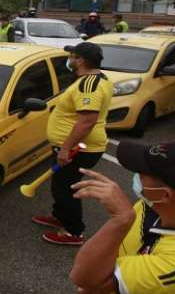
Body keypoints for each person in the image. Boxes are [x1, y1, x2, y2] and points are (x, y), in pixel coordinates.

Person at [70, 141, 175, 293]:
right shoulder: (155, 205)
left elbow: (86, 279)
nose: (136, 177)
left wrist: (121, 220)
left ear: (165, 195)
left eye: (141, 174)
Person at [34, 42, 113, 245]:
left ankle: (73, 231)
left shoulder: (89, 85)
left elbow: (87, 120)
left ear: (81, 60)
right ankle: (59, 216)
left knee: (65, 189)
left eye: (72, 56)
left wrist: (66, 148)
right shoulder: (94, 79)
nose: (69, 60)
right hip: (72, 146)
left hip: (78, 148)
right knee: (60, 185)